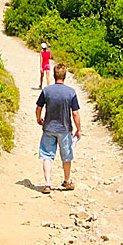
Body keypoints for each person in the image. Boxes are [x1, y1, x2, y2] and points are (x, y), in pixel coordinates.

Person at [35, 64, 81, 194]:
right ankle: (66, 181)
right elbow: (75, 113)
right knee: (66, 156)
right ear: (65, 76)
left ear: (54, 76)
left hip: (49, 127)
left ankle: (47, 183)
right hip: (65, 129)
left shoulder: (47, 91)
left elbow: (38, 108)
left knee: (47, 156)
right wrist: (79, 129)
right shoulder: (71, 92)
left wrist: (39, 119)